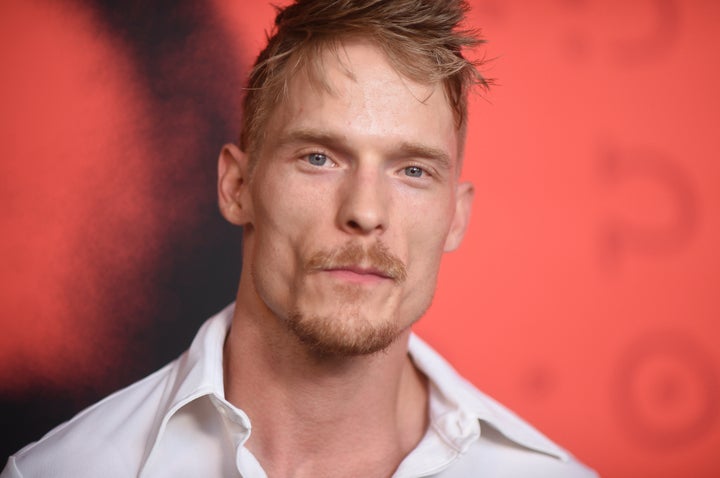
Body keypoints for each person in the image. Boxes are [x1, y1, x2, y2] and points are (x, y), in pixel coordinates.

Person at [2, 0, 598, 476]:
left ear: (455, 216)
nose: (365, 211)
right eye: (319, 157)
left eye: (413, 170)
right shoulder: (65, 470)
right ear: (237, 186)